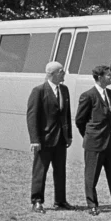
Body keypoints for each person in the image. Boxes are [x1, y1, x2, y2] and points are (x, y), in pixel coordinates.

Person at [75, 65, 111, 216]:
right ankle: (92, 205)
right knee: (91, 175)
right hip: (95, 143)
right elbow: (80, 120)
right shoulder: (88, 96)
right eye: (108, 75)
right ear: (100, 78)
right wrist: (89, 136)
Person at [26, 61, 73, 213]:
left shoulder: (64, 90)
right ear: (52, 74)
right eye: (61, 71)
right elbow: (32, 116)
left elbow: (66, 114)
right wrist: (34, 139)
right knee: (40, 171)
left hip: (60, 140)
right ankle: (37, 201)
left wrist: (69, 135)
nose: (64, 74)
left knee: (60, 171)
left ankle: (60, 200)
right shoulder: (39, 91)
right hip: (44, 140)